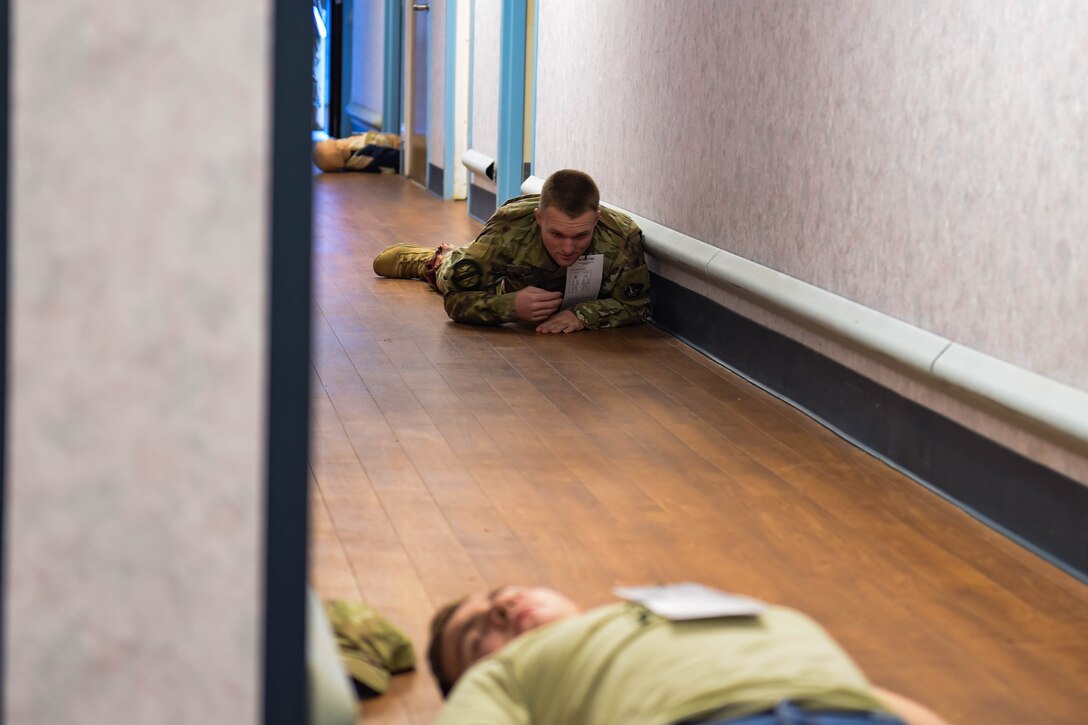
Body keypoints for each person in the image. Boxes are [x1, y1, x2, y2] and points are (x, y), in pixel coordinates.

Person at [426, 585, 949, 725]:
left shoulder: (658, 611)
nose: (501, 607)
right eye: (475, 636)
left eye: (500, 592)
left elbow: (880, 700)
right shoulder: (507, 673)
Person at [371, 169, 651, 334]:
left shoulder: (621, 237)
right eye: (556, 234)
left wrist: (583, 315)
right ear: (539, 219)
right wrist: (509, 307)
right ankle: (435, 260)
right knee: (456, 274)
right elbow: (457, 301)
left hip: (568, 298)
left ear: (597, 220)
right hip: (507, 286)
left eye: (580, 235)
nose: (568, 248)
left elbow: (637, 306)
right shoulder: (510, 226)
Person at [313, 131, 402, 173]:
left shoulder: (352, 148)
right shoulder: (366, 155)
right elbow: (398, 159)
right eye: (336, 143)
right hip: (400, 147)